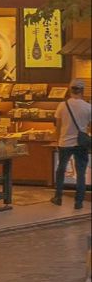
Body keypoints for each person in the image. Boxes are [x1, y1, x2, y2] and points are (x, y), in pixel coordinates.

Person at [51, 78, 91, 210]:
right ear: (82, 91)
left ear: (70, 90)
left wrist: (57, 141)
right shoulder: (88, 107)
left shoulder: (62, 106)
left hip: (65, 143)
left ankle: (58, 197)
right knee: (81, 173)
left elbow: (58, 126)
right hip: (81, 144)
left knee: (61, 170)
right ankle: (79, 202)